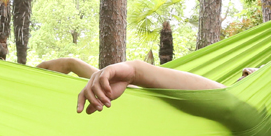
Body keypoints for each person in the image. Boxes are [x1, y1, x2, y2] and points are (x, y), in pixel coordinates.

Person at [37, 57, 225, 115]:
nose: (247, 71)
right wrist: (73, 65)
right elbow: (158, 101)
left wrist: (133, 72)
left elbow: (227, 101)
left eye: (256, 71)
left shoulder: (240, 110)